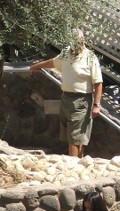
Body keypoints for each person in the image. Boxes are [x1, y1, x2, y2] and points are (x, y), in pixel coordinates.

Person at [30, 29, 103, 158]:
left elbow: (98, 83)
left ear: (82, 42)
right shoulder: (65, 53)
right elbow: (53, 62)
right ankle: (79, 164)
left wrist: (97, 105)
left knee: (75, 137)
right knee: (74, 137)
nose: (76, 44)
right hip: (66, 98)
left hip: (81, 100)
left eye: (78, 42)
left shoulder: (90, 57)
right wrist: (36, 66)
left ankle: (73, 165)